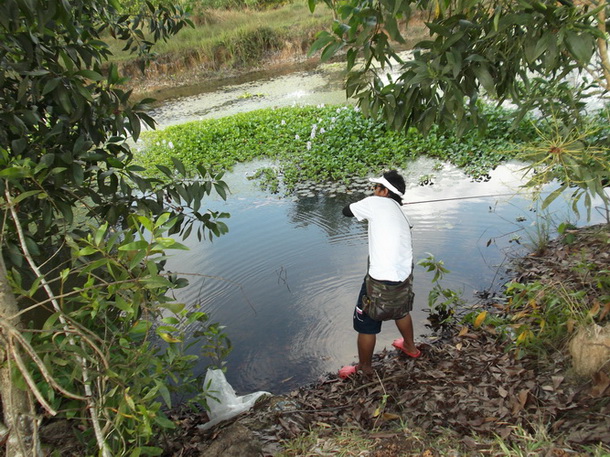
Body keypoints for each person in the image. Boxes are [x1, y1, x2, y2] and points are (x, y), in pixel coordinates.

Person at [339, 170, 421, 379]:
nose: (373, 191)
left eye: (376, 188)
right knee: (401, 309)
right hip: (404, 276)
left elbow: (346, 211)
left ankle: (364, 369)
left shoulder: (374, 203)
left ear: (385, 191)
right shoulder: (402, 212)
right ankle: (410, 347)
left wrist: (369, 203)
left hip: (379, 279)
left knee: (365, 322)